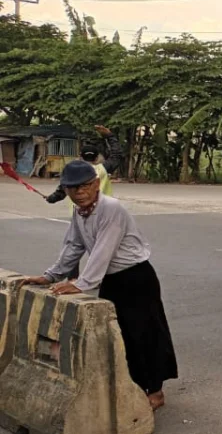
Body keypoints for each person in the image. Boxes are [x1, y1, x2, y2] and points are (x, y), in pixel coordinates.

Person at [17, 160, 178, 411]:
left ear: (95, 185)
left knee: (144, 334)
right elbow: (73, 245)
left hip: (135, 278)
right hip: (111, 280)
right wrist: (50, 276)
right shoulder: (79, 211)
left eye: (83, 187)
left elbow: (104, 248)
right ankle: (133, 386)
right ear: (65, 190)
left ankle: (155, 392)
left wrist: (82, 284)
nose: (78, 193)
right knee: (118, 336)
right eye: (72, 189)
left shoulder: (111, 209)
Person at [46, 124, 123, 205]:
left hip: (80, 212)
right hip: (103, 209)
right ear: (96, 158)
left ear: (81, 157)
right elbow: (117, 155)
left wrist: (51, 198)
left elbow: (61, 191)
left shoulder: (73, 172)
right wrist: (109, 135)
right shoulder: (104, 169)